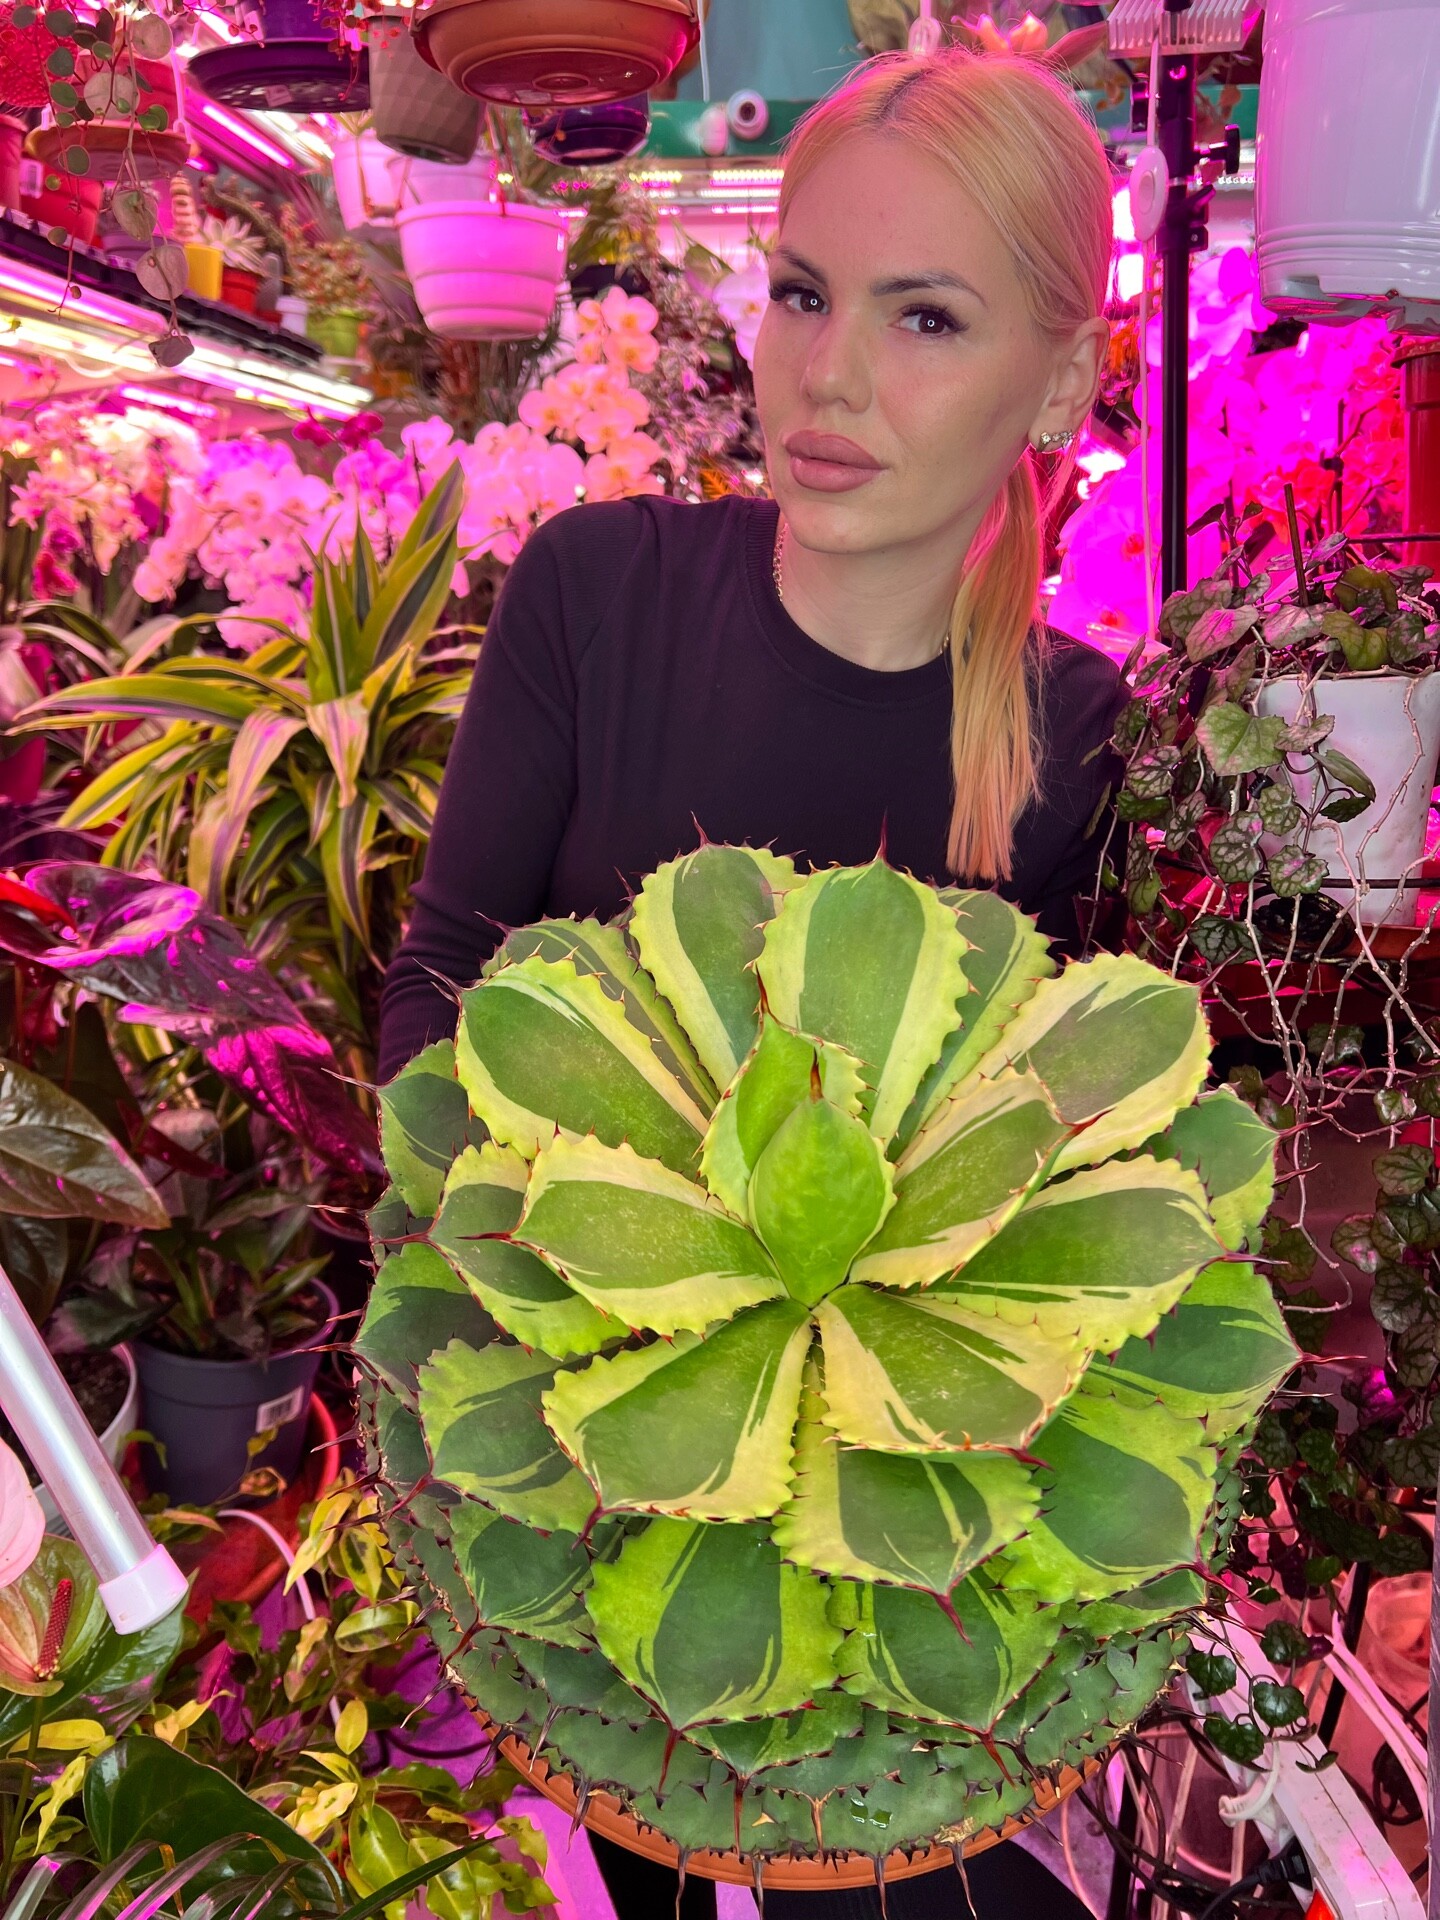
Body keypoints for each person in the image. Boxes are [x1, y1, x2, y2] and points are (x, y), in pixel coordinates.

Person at [379, 44, 1120, 1920]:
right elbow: (440, 990)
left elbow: (1067, 1203)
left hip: (872, 1546)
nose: (828, 375)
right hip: (563, 1455)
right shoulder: (597, 595)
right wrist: (569, 1334)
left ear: (1061, 378)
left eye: (924, 317)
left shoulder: (1076, 738)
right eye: (803, 293)